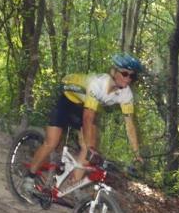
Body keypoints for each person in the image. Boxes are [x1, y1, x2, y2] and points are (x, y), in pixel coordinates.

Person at [22, 53, 144, 201]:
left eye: (132, 76)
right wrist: (90, 147)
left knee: (88, 148)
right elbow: (88, 118)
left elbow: (130, 125)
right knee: (52, 142)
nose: (128, 79)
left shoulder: (126, 94)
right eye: (125, 74)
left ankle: (73, 186)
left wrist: (137, 154)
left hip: (84, 106)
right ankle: (29, 178)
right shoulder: (97, 84)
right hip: (67, 100)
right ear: (114, 72)